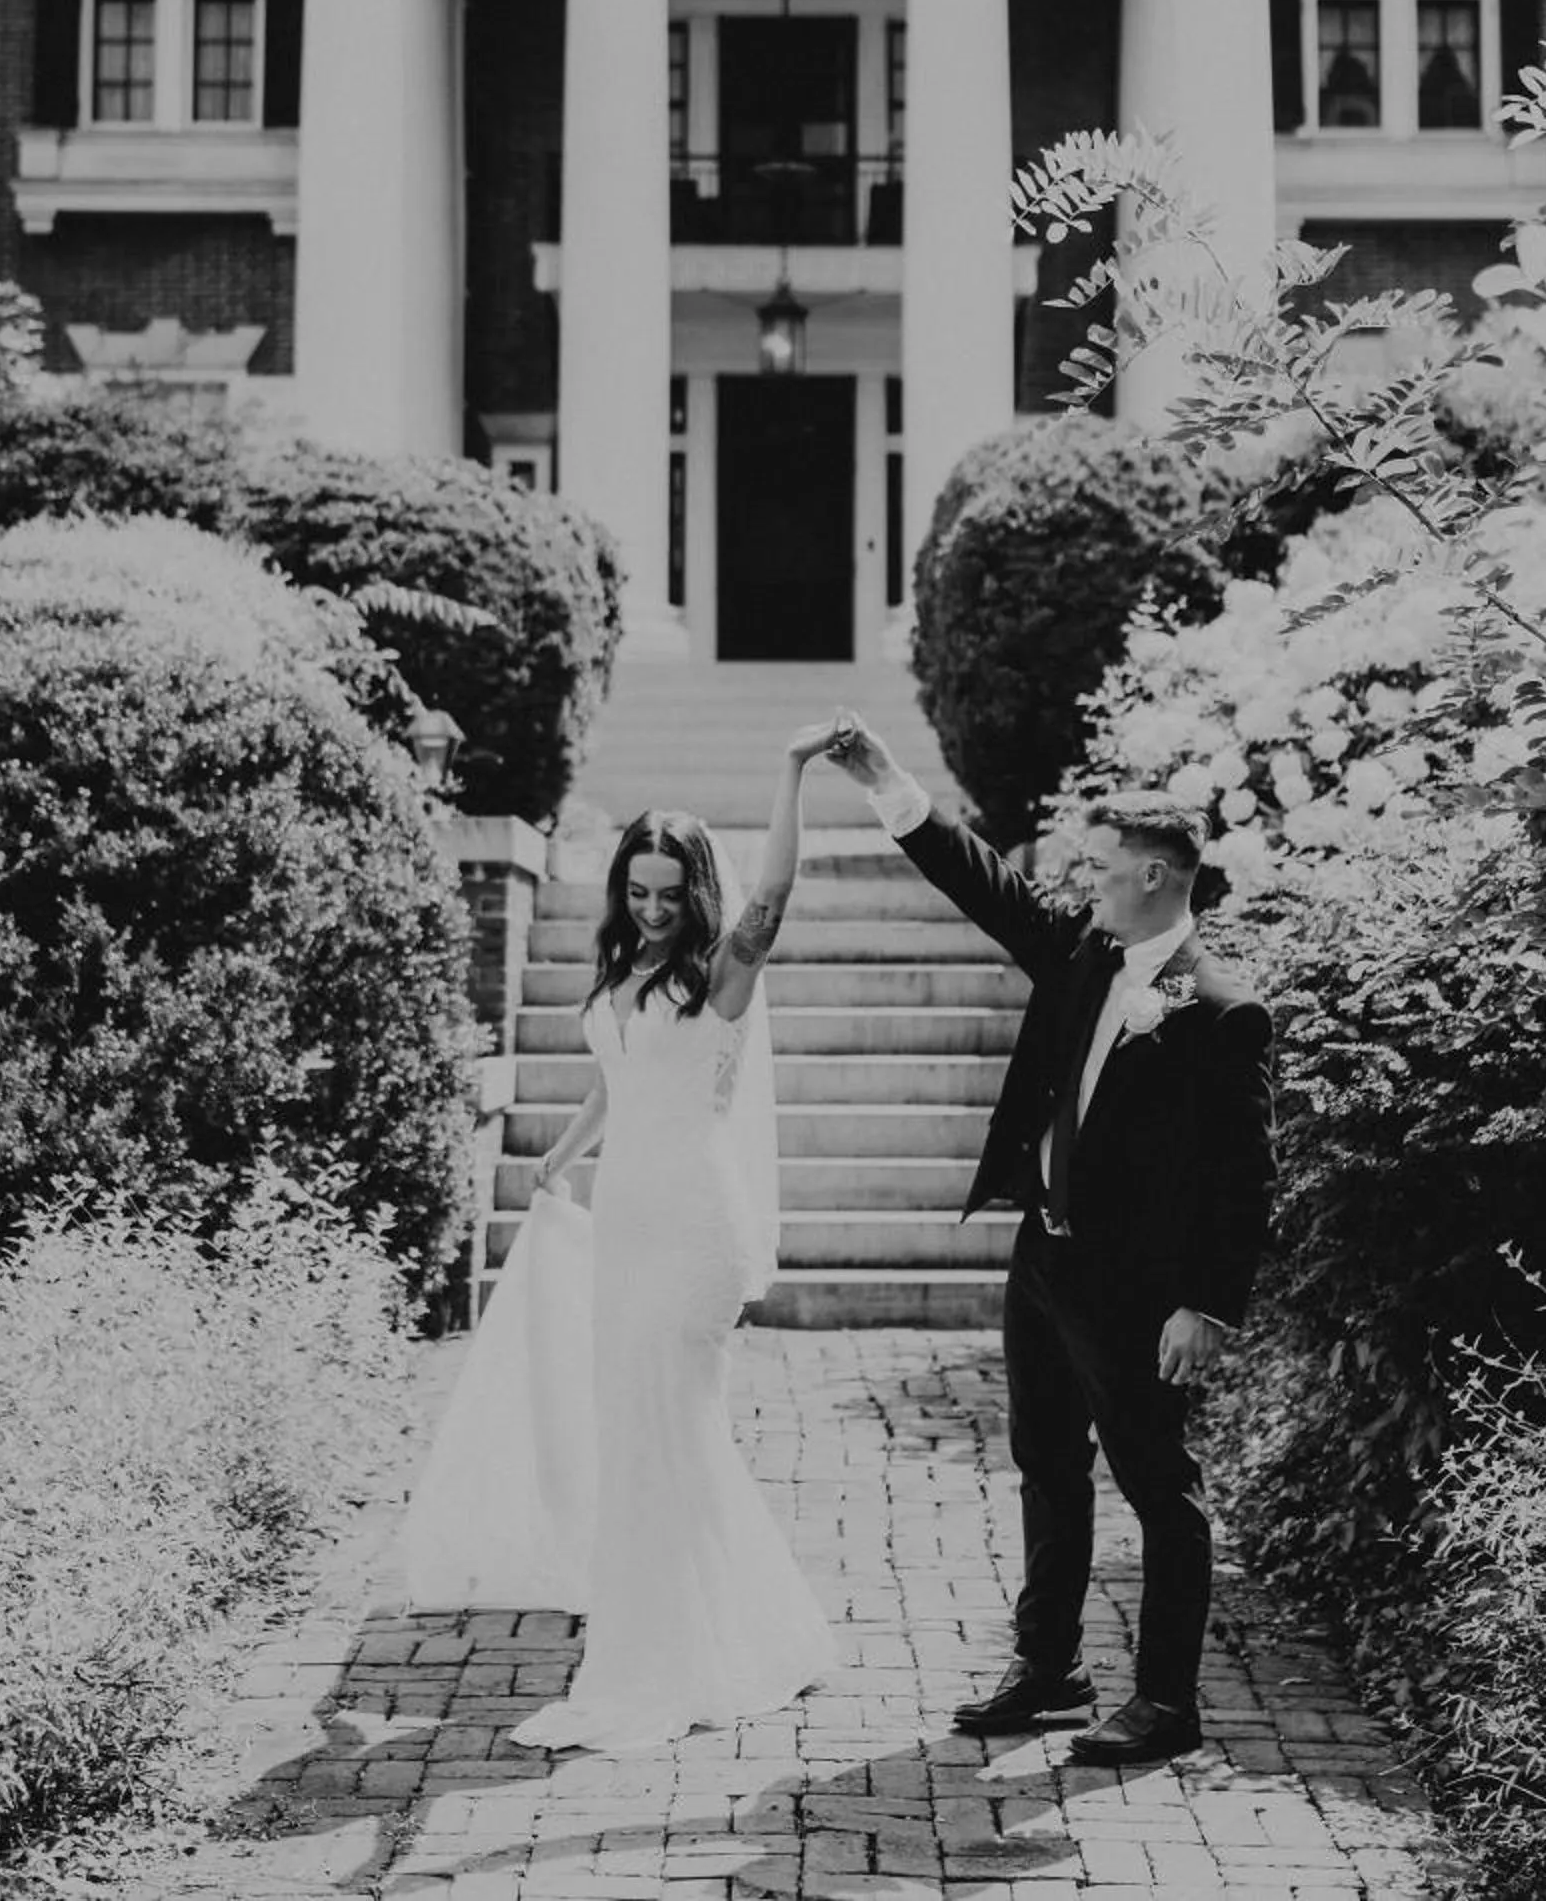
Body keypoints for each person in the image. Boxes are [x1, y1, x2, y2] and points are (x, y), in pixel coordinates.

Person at [825, 714, 1275, 1769]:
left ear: (1161, 880)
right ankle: (1049, 1670)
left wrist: (1206, 1307)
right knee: (1044, 1464)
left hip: (1135, 1290)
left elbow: (1241, 1179)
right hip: (1044, 1258)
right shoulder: (1083, 953)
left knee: (1157, 1487)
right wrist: (886, 778)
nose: (1090, 882)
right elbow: (985, 886)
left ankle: (1164, 1703)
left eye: (1108, 868)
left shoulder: (1218, 1012)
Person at [508, 726, 842, 1753]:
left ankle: (687, 1651)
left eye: (668, 894)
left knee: (671, 1428)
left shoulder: (717, 977)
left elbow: (774, 899)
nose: (652, 909)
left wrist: (786, 773)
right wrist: (561, 1157)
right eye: (638, 892)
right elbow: (614, 1086)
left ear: (695, 893)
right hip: (625, 1223)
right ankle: (722, 1624)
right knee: (639, 1435)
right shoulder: (618, 973)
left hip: (693, 1227)